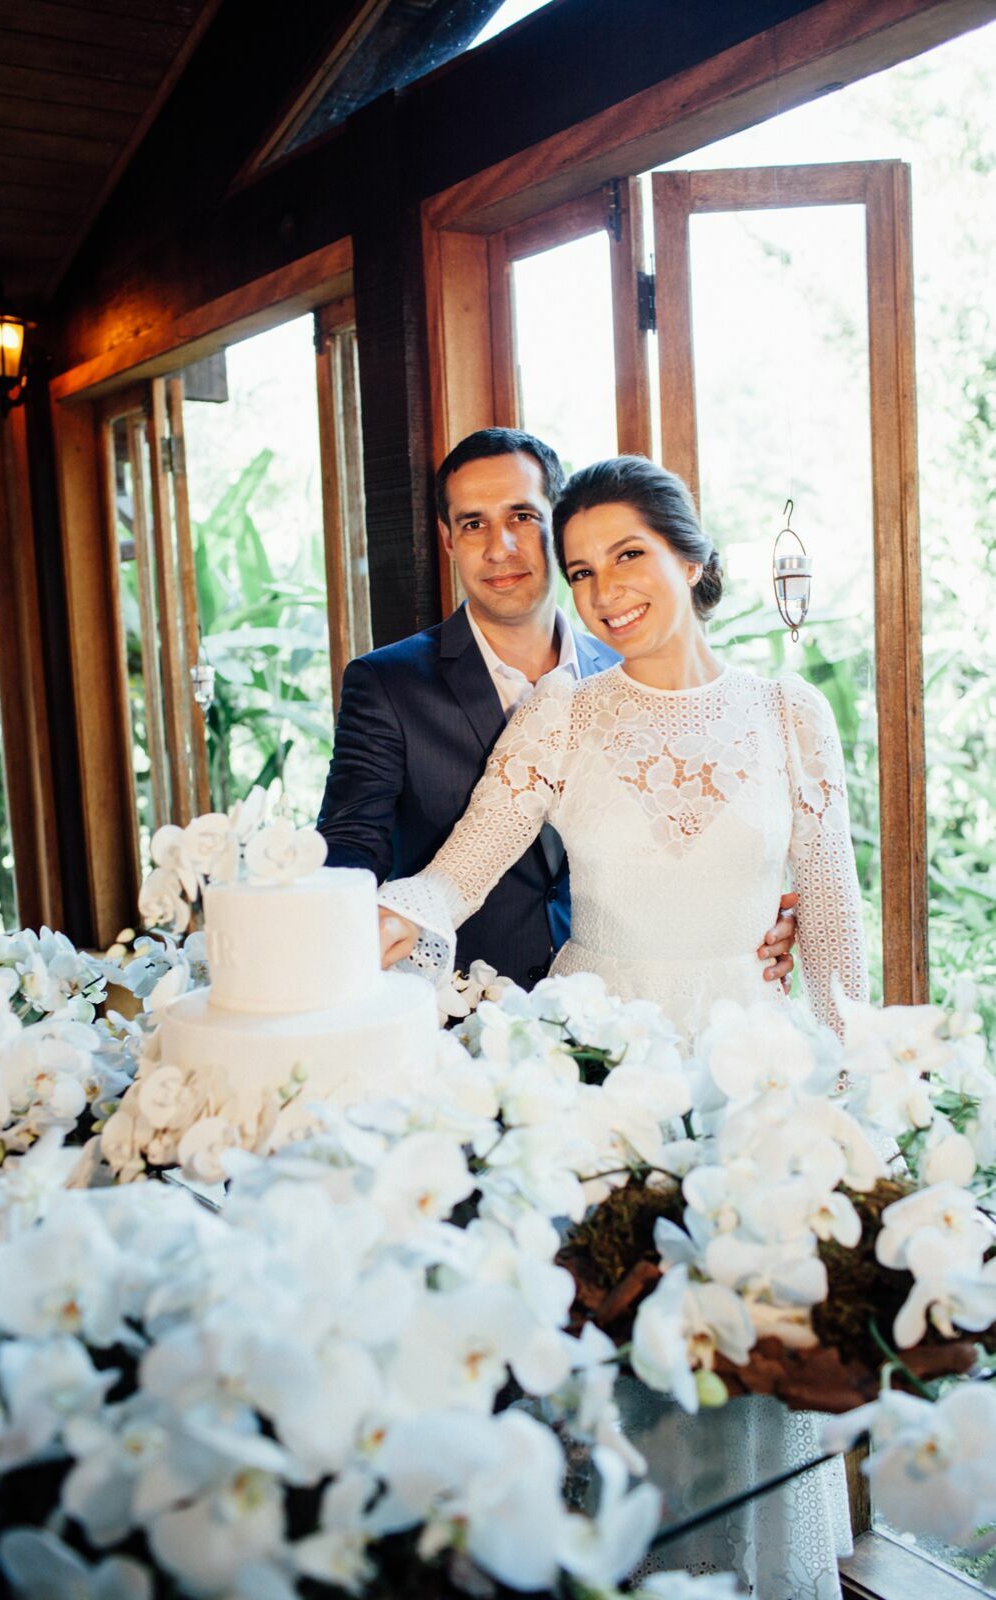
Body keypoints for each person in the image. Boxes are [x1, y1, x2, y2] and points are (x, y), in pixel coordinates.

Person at [376, 454, 868, 1599]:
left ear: (692, 560)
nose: (601, 591)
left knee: (738, 1355)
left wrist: (863, 1101)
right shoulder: (562, 712)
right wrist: (354, 929)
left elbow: (834, 937)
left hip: (747, 1077)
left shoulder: (791, 714)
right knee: (609, 1358)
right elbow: (455, 874)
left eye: (628, 556)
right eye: (580, 567)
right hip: (595, 1075)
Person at [319, 428, 799, 990]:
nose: (500, 547)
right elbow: (352, 850)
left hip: (642, 1007)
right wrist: (352, 937)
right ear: (448, 539)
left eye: (522, 515)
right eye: (474, 523)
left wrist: (763, 919)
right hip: (462, 1007)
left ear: (558, 526)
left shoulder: (646, 669)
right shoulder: (387, 683)